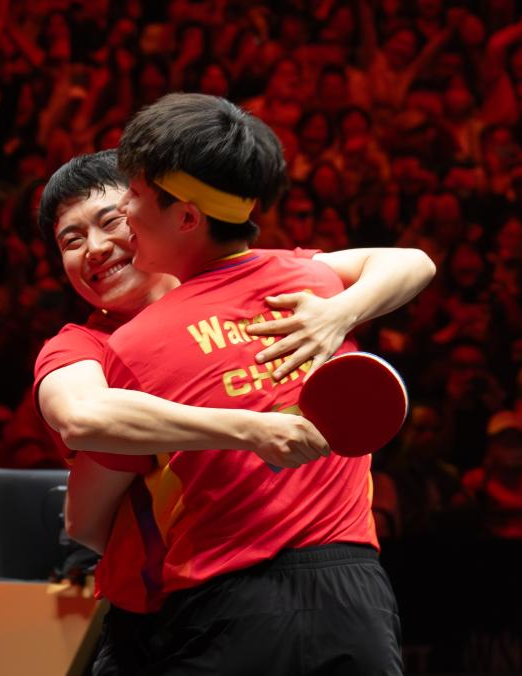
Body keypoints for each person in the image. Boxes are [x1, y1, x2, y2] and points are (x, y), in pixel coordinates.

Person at [34, 146, 433, 672]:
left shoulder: (265, 280)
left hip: (326, 581)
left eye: (111, 221)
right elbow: (82, 421)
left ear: (147, 214)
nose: (95, 248)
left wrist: (338, 314)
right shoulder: (83, 346)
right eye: (72, 240)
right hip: (165, 612)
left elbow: (410, 262)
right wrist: (251, 430)